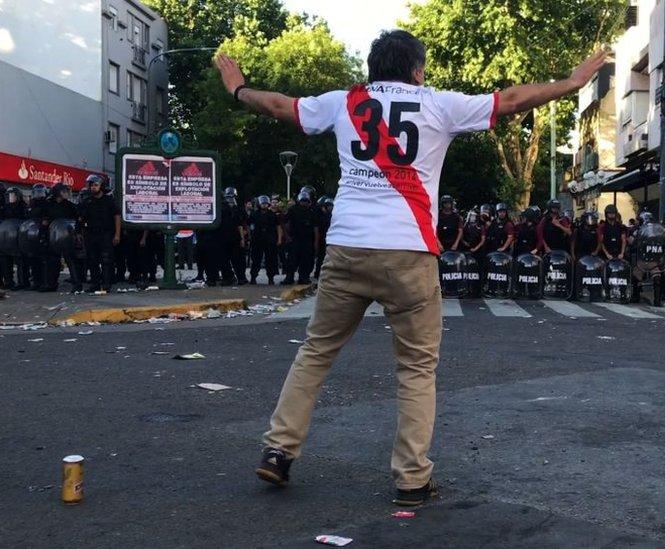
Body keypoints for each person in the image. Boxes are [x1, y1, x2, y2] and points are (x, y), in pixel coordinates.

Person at [215, 29, 606, 504]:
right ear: (418, 70)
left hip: (348, 247)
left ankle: (278, 451)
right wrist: (570, 82)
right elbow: (514, 99)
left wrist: (237, 88)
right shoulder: (439, 104)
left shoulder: (343, 102)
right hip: (409, 249)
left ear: (372, 69)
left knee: (316, 352)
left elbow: (279, 105)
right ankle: (411, 479)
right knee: (417, 368)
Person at [77, 174, 121, 293]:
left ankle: (106, 284)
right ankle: (94, 284)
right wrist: (79, 234)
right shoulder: (87, 201)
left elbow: (117, 216)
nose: (93, 188)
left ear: (101, 186)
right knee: (92, 260)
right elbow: (81, 219)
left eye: (96, 185)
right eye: (91, 185)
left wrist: (117, 234)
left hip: (105, 234)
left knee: (106, 259)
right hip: (90, 234)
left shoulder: (108, 200)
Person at [282, 190, 318, 284]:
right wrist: (287, 236)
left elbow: (315, 227)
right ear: (299, 200)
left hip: (307, 240)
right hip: (295, 239)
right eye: (302, 201)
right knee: (291, 260)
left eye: (306, 201)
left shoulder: (311, 211)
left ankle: (303, 278)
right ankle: (289, 278)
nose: (304, 203)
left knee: (305, 260)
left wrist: (316, 242)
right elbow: (283, 222)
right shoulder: (293, 209)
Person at [1, 187, 29, 290]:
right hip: (6, 239)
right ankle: (9, 282)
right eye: (9, 196)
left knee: (21, 260)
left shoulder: (23, 207)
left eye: (12, 195)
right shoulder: (4, 208)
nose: (10, 198)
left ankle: (23, 282)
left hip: (18, 239)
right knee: (5, 260)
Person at [250, 195, 282, 284]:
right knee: (256, 259)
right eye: (262, 204)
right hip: (257, 239)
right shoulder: (254, 214)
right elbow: (249, 226)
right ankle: (253, 277)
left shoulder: (272, 215)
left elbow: (278, 227)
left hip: (270, 240)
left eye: (265, 204)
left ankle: (271, 278)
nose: (264, 205)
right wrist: (249, 237)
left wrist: (279, 239)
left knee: (270, 260)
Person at [313, 196, 333, 280]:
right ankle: (318, 273)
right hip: (323, 239)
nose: (330, 208)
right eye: (328, 206)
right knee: (321, 258)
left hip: (329, 240)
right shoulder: (322, 217)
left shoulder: (331, 216)